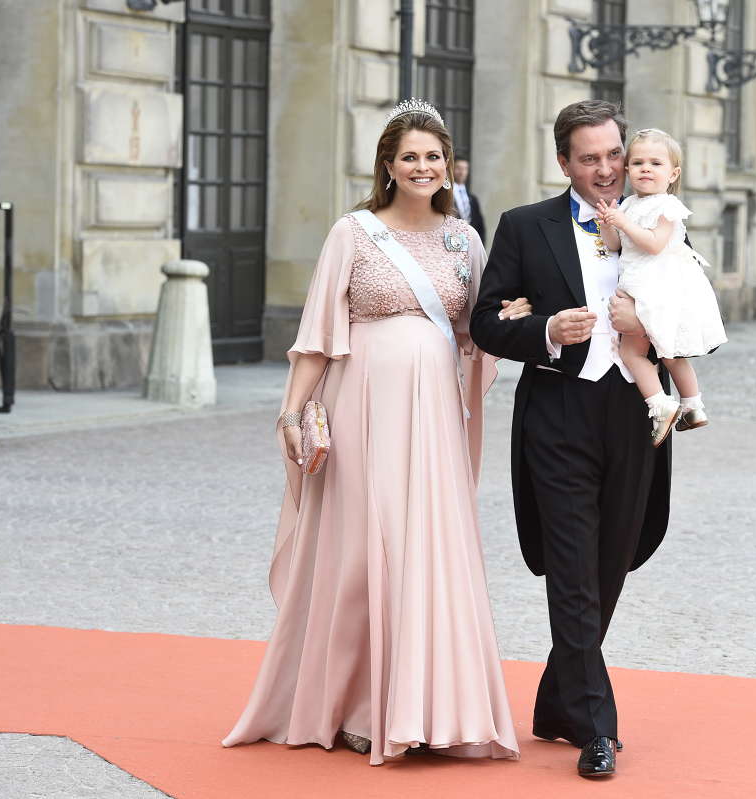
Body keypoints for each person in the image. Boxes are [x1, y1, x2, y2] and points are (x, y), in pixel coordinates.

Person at [222, 99, 528, 766]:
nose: (423, 166)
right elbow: (316, 337)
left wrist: (518, 317)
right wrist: (290, 412)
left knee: (427, 549)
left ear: (449, 166)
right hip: (361, 408)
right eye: (410, 156)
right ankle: (357, 706)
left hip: (435, 421)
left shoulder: (466, 239)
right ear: (388, 165)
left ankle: (434, 709)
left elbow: (481, 333)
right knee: (364, 550)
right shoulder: (353, 233)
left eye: (433, 156)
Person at [469, 100, 672, 779]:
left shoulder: (658, 218)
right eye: (591, 158)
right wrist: (547, 330)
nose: (609, 169)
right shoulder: (526, 227)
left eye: (615, 153)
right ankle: (596, 726)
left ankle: (559, 701)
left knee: (612, 561)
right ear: (564, 162)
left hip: (633, 412)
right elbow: (490, 318)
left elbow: (690, 302)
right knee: (573, 571)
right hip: (557, 414)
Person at [596, 128, 728, 447]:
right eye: (638, 162)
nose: (645, 169)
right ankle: (692, 407)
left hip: (657, 287)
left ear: (673, 173)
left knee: (636, 351)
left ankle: (663, 404)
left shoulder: (667, 206)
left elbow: (654, 244)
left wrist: (624, 223)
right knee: (667, 353)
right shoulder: (627, 205)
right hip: (639, 282)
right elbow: (617, 245)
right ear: (627, 170)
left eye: (656, 163)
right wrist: (607, 224)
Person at [452, 157, 486, 243]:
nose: (462, 172)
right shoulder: (445, 196)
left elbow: (480, 225)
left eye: (465, 169)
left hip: (471, 244)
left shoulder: (473, 198)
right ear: (451, 169)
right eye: (458, 168)